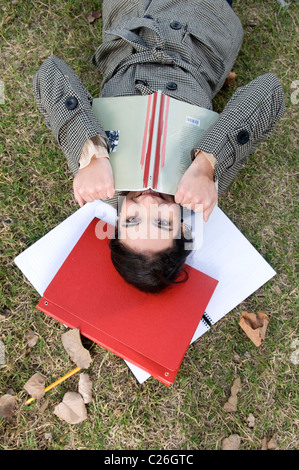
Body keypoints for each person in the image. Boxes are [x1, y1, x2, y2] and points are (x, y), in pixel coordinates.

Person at [33, 0, 285, 292]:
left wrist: (90, 154)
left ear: (116, 224)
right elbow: (269, 90)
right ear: (182, 229)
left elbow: (50, 72)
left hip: (132, 11)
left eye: (132, 219)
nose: (149, 204)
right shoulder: (202, 188)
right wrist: (206, 165)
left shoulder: (101, 181)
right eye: (163, 224)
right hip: (203, 22)